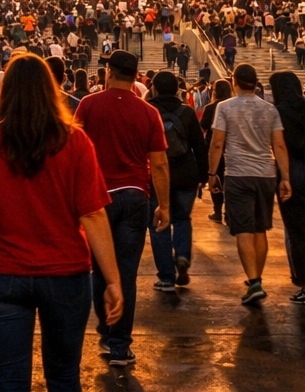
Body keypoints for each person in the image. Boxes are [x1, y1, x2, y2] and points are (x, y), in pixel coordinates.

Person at [0, 54, 123, 392]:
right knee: (64, 376)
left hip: (2, 275)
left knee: (9, 381)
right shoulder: (76, 142)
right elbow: (94, 214)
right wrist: (112, 280)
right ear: (52, 91)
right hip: (65, 274)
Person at [73, 50, 169, 365]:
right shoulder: (149, 112)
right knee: (126, 271)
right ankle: (120, 345)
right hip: (134, 196)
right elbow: (159, 164)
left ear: (109, 73)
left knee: (99, 266)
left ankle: (106, 326)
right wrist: (163, 205)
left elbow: (73, 149)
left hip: (97, 197)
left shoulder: (88, 105)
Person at [205, 64, 292, 305]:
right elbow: (280, 146)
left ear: (235, 81)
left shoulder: (225, 107)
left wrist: (212, 173)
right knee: (260, 228)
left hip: (238, 174)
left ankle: (254, 281)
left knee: (243, 228)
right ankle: (257, 278)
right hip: (266, 174)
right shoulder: (270, 110)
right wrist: (285, 177)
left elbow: (217, 143)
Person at [147, 69, 207, 293]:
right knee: (182, 219)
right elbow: (199, 147)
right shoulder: (187, 112)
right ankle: (182, 254)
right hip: (186, 174)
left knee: (159, 223)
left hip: (156, 175)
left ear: (154, 87)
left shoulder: (149, 109)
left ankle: (166, 276)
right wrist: (204, 175)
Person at [269, 70, 305, 304]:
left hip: (290, 175)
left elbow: (278, 146)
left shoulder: (277, 113)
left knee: (297, 234)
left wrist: (284, 177)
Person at [199, 78, 232, 223]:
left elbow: (204, 124)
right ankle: (229, 212)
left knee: (216, 178)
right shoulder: (232, 106)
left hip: (214, 145)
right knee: (229, 180)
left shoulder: (211, 107)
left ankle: (217, 210)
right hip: (230, 146)